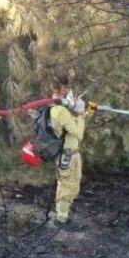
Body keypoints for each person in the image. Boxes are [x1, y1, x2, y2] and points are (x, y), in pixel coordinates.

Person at [47, 83, 93, 231]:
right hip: (67, 154)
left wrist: (86, 112)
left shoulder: (60, 109)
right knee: (68, 186)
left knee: (69, 184)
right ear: (62, 89)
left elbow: (73, 128)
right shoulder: (60, 111)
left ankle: (63, 212)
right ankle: (61, 219)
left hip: (71, 153)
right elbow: (78, 133)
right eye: (68, 88)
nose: (71, 93)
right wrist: (80, 114)